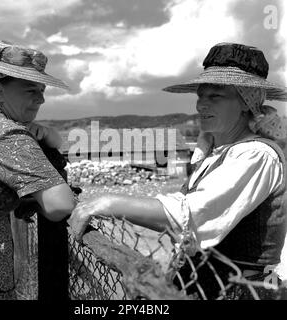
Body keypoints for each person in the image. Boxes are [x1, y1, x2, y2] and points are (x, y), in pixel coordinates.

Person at [69, 43, 287, 299]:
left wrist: (106, 202)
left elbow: (193, 213)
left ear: (246, 102)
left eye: (215, 97)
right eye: (200, 96)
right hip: (209, 287)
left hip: (241, 290)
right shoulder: (218, 150)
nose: (201, 105)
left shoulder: (255, 155)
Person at [0, 40, 76, 300]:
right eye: (31, 89)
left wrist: (48, 136)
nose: (41, 99)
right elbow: (60, 205)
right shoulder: (7, 134)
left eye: (42, 90)